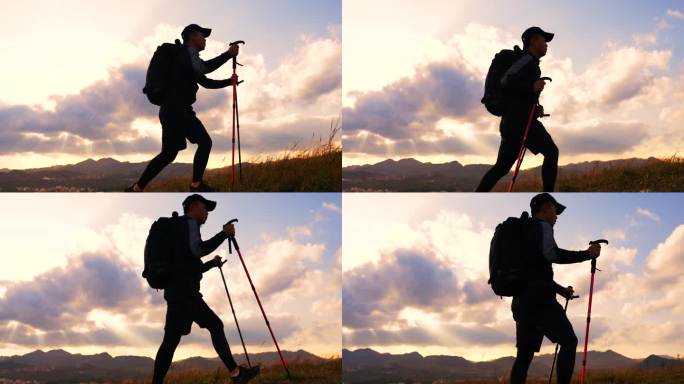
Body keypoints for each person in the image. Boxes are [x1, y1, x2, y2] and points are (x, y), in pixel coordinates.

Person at [151, 194, 260, 384]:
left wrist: (211, 264)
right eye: (205, 207)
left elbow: (190, 267)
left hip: (175, 292)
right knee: (215, 325)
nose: (207, 212)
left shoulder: (177, 230)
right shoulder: (189, 224)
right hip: (186, 293)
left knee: (170, 342)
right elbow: (198, 250)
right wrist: (224, 233)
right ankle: (236, 374)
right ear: (192, 206)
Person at [127, 24, 240, 192]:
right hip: (176, 109)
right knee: (200, 143)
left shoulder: (188, 59)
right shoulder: (184, 54)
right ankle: (195, 185)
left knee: (170, 153)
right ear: (193, 36)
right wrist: (228, 55)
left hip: (174, 110)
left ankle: (137, 188)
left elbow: (205, 82)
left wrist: (229, 82)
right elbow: (204, 69)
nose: (204, 40)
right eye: (203, 36)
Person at [510, 193, 601, 384]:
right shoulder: (542, 226)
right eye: (554, 209)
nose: (557, 215)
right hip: (541, 302)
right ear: (544, 208)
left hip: (521, 302)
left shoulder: (523, 232)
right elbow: (553, 255)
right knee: (569, 341)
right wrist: (587, 254)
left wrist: (560, 290)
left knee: (524, 357)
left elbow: (534, 274)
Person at [476, 27, 558, 192]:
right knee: (551, 152)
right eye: (544, 40)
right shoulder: (526, 60)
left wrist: (537, 108)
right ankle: (548, 196)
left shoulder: (531, 63)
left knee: (501, 167)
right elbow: (506, 81)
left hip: (511, 122)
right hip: (520, 121)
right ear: (533, 40)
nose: (547, 44)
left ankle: (478, 194)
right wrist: (531, 87)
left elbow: (519, 93)